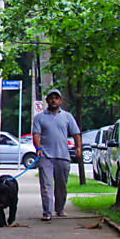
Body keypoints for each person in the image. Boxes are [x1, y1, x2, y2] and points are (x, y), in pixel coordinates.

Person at [31, 88, 82, 221]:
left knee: (61, 185)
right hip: (45, 156)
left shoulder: (67, 116)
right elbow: (36, 134)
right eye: (51, 98)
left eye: (56, 98)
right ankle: (47, 212)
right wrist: (38, 148)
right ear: (47, 100)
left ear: (60, 100)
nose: (53, 100)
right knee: (46, 185)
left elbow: (76, 133)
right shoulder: (39, 117)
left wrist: (78, 148)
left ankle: (60, 209)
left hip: (63, 156)